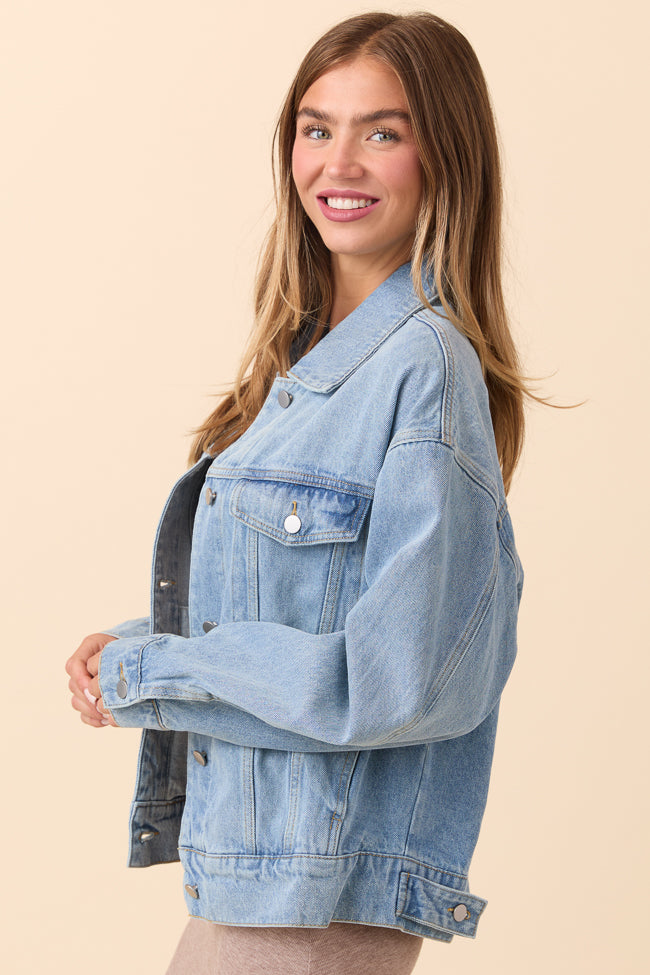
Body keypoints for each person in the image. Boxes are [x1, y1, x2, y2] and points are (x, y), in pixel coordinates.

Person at [66, 11, 525, 974]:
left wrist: (160, 669)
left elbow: (389, 681)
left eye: (383, 132)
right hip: (258, 883)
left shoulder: (425, 369)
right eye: (318, 128)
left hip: (315, 904)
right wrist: (144, 643)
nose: (339, 164)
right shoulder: (304, 366)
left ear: (445, 156)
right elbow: (307, 610)